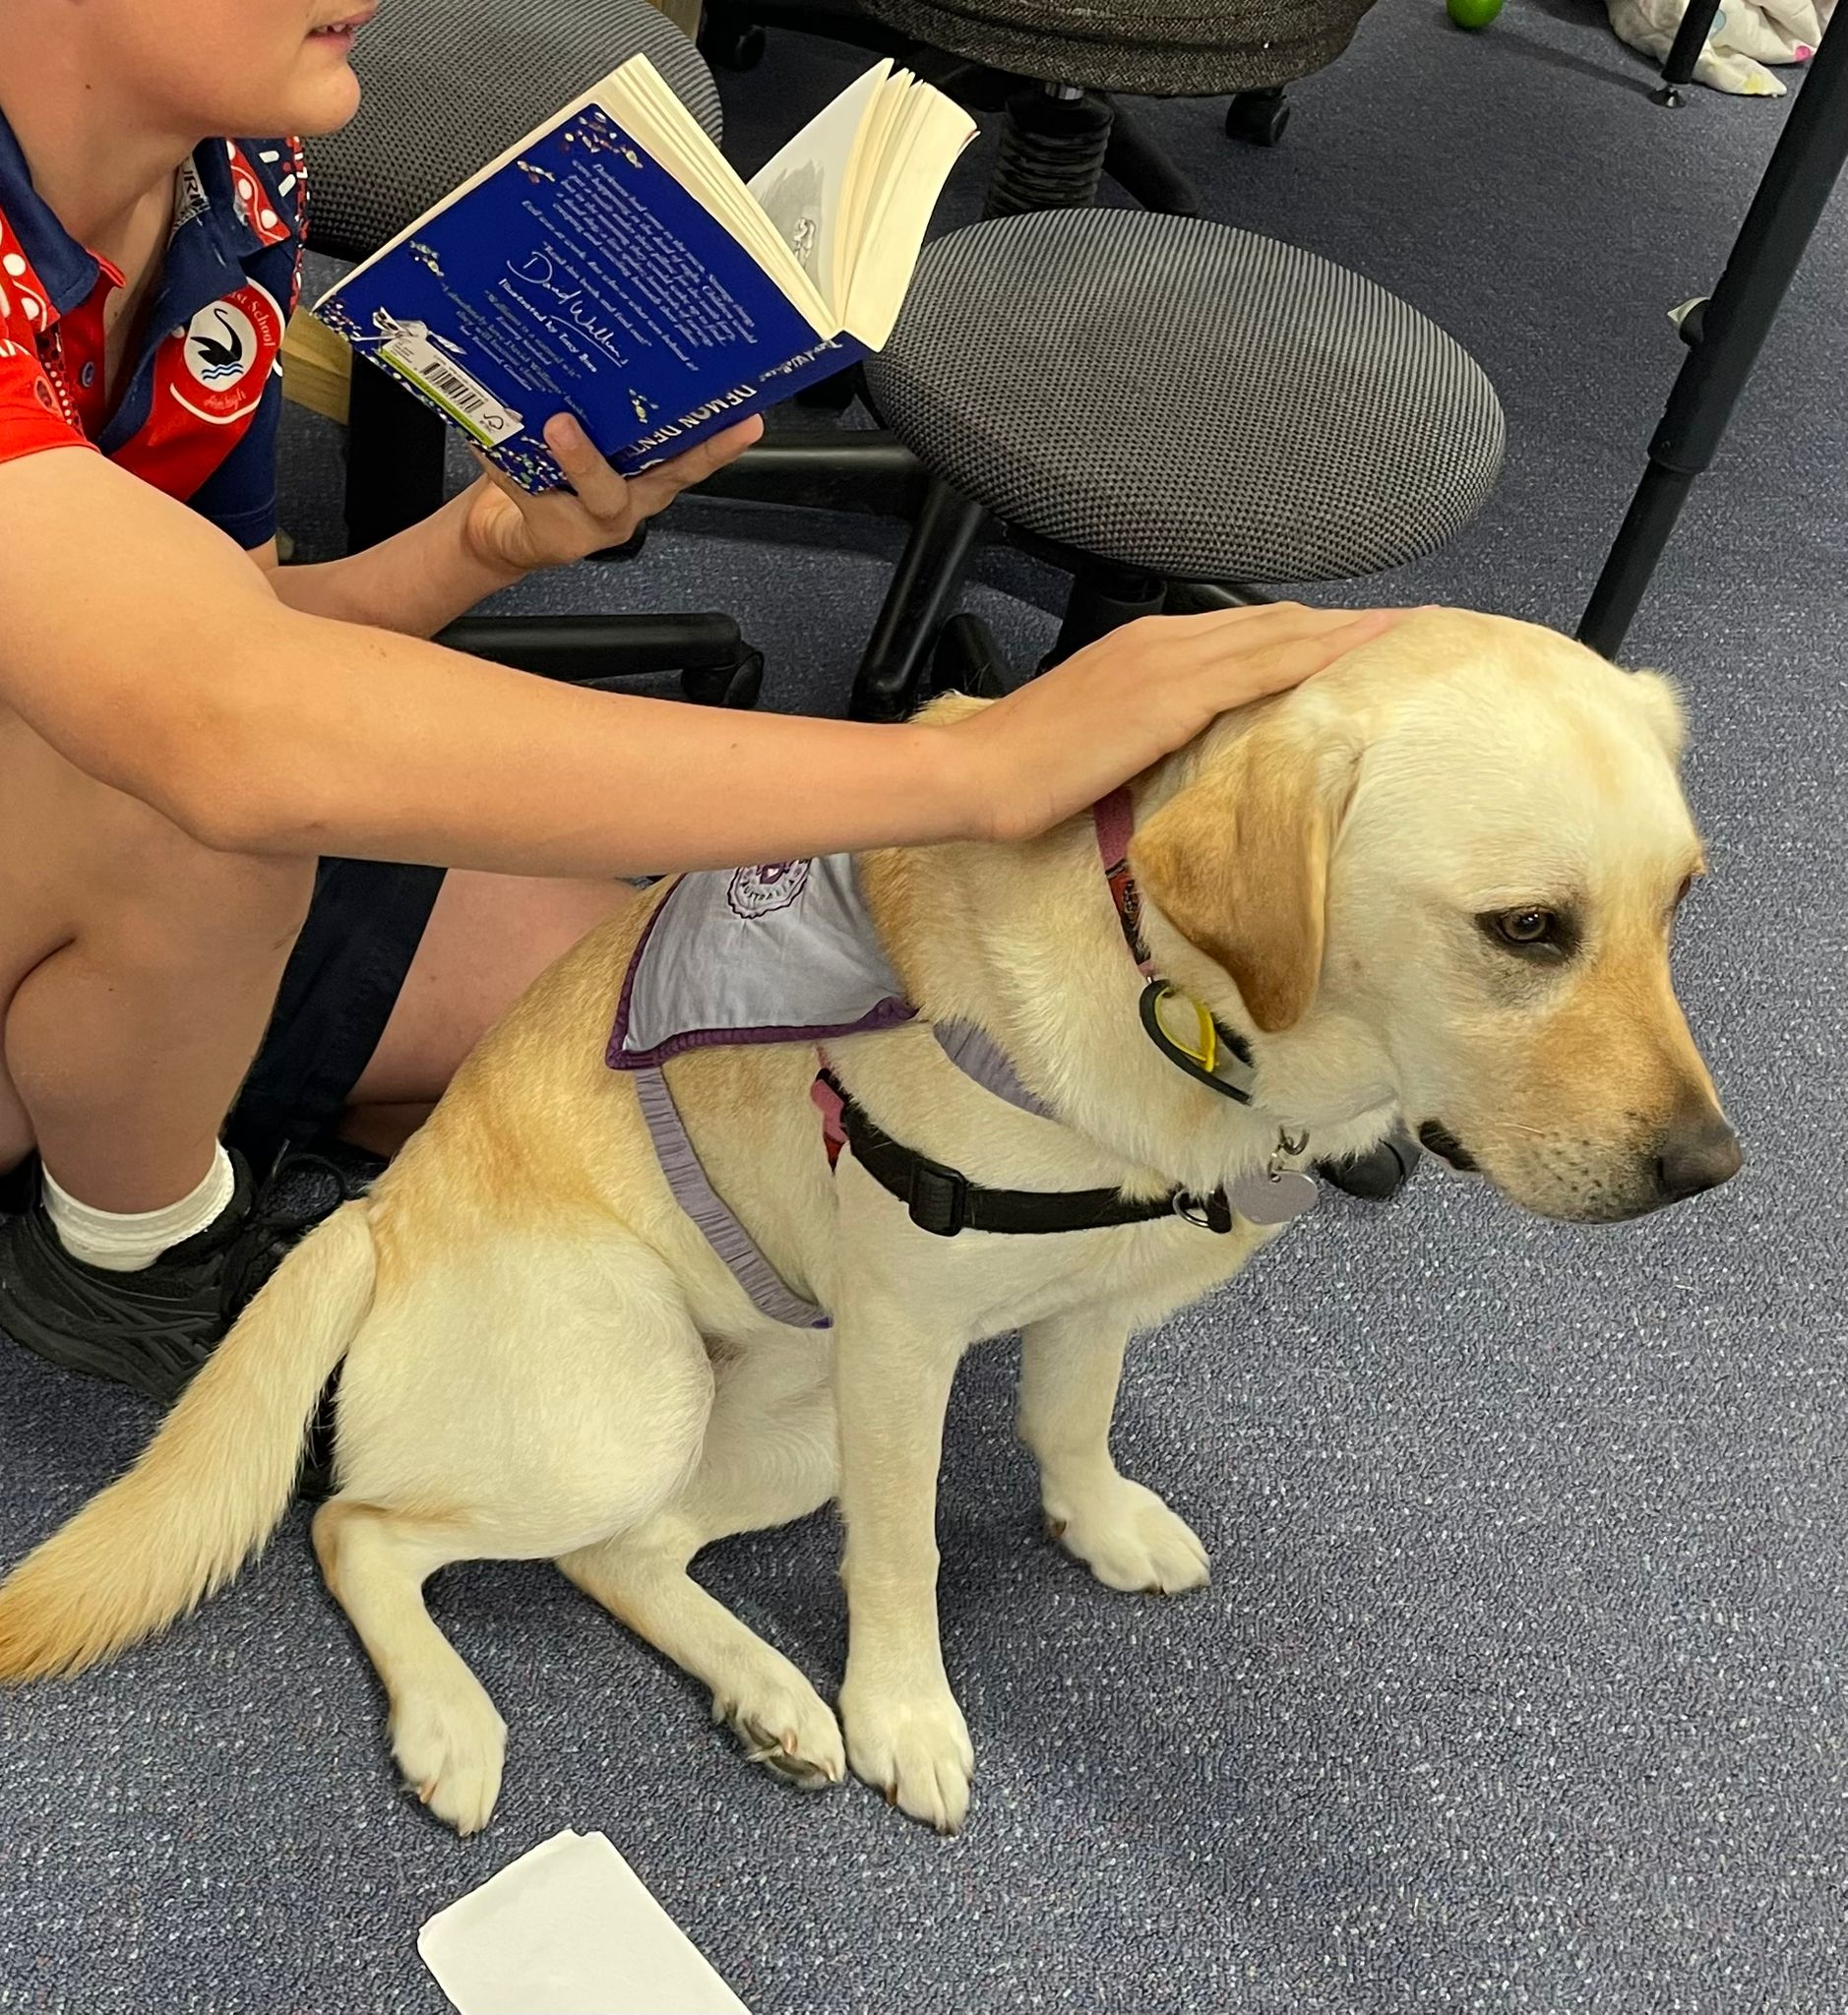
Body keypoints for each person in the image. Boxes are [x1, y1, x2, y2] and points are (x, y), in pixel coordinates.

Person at [0, 0, 1405, 1404]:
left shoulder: (227, 169)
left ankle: (149, 1081)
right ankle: (132, 1260)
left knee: (668, 1037)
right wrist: (984, 774)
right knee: (198, 817)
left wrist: (475, 549)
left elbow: (210, 628)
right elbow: (226, 731)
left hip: (86, 803)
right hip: (127, 812)